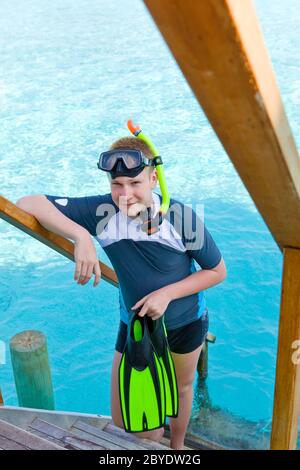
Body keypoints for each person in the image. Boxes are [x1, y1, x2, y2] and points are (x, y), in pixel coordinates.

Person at [16, 133, 226, 450]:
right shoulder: (101, 212)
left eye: (135, 183)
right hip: (136, 327)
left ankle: (178, 447)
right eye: (117, 185)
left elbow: (217, 271)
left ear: (154, 179)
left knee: (182, 389)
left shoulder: (181, 217)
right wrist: (80, 237)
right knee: (126, 419)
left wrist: (166, 294)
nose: (125, 194)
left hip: (184, 323)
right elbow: (27, 203)